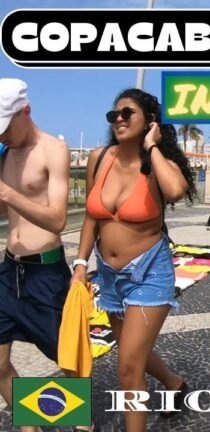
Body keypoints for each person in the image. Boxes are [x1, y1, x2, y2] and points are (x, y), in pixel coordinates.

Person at [73, 88, 196, 432]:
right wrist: (80, 265)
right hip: (108, 275)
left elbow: (175, 191)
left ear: (149, 122)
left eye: (128, 114)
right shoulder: (100, 158)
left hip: (149, 273)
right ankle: (174, 383)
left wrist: (153, 146)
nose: (119, 120)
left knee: (127, 366)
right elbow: (90, 219)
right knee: (132, 353)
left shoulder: (156, 165)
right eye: (114, 115)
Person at [0, 79, 73, 432]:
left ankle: (82, 423)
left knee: (68, 359)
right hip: (8, 269)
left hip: (45, 273)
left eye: (4, 127)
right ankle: (32, 427)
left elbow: (59, 220)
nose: (2, 137)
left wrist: (9, 194)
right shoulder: (5, 152)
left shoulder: (53, 150)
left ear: (25, 111)